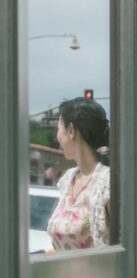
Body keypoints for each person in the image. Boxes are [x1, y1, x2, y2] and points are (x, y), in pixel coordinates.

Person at [47, 97, 112, 250]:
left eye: (59, 128)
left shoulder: (107, 182)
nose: (57, 137)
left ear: (71, 131)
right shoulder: (67, 179)